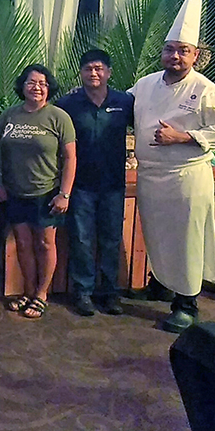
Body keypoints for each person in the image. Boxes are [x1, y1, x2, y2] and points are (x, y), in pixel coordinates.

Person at [129, 0, 215, 333]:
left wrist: (183, 137)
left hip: (186, 177)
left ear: (195, 55)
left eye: (183, 50)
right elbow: (119, 108)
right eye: (170, 49)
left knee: (186, 239)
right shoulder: (145, 84)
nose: (175, 56)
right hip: (150, 176)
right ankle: (160, 284)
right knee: (156, 235)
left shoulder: (205, 90)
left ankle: (186, 303)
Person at [56, 49, 133, 317]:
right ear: (81, 72)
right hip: (80, 186)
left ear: (109, 72)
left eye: (99, 68)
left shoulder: (125, 102)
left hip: (114, 184)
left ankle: (109, 294)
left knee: (111, 240)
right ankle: (84, 293)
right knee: (82, 239)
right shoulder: (68, 104)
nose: (94, 73)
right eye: (88, 68)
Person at [0, 64, 76, 319]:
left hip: (47, 193)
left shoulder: (59, 117)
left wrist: (64, 194)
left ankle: (42, 294)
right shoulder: (10, 115)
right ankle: (28, 291)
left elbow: (70, 158)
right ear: (22, 86)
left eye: (42, 83)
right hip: (15, 192)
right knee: (22, 243)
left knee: (45, 243)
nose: (37, 87)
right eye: (31, 82)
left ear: (49, 88)